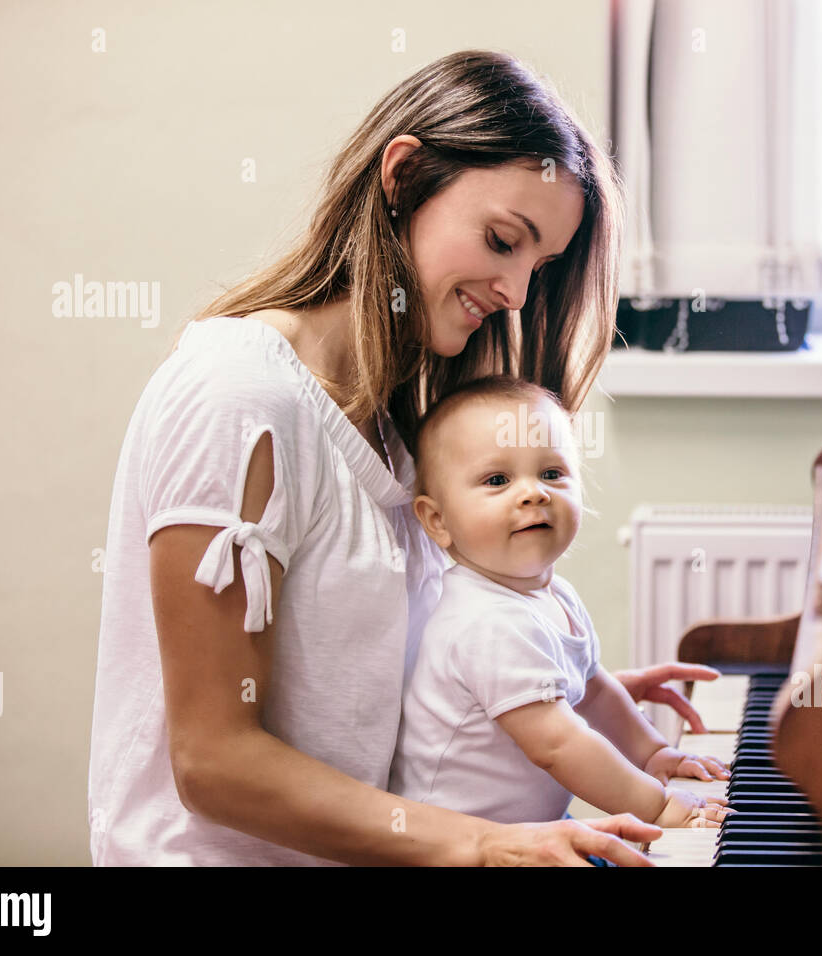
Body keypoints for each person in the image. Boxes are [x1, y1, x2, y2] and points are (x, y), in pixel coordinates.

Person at [87, 49, 722, 866]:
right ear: (404, 177)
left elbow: (353, 679)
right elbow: (213, 762)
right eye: (502, 240)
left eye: (539, 267)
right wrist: (486, 844)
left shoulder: (387, 426)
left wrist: (540, 684)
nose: (517, 294)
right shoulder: (239, 396)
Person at [390, 376, 733, 829]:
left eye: (552, 473)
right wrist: (657, 806)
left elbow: (594, 691)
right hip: (450, 848)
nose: (535, 492)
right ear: (437, 520)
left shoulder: (555, 595)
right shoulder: (484, 621)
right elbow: (558, 744)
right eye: (497, 480)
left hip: (521, 838)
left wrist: (652, 754)